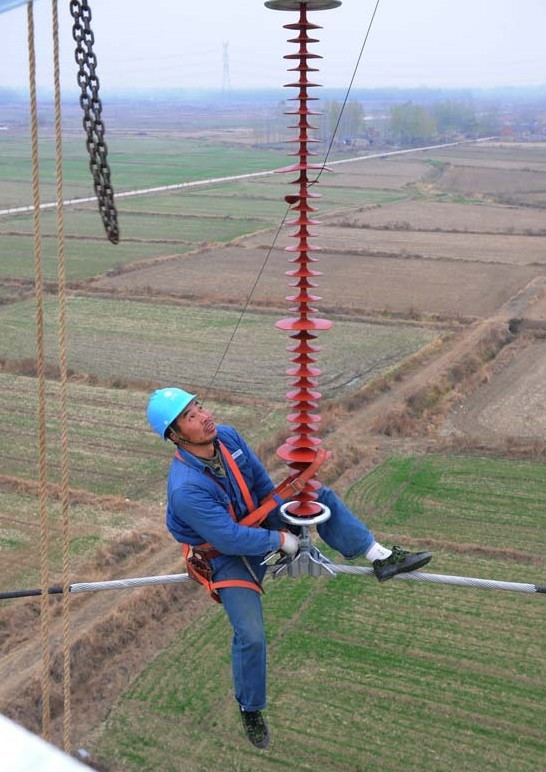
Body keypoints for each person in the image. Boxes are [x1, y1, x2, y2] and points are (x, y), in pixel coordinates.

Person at [147, 387, 432, 749]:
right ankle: (250, 708)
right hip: (224, 557)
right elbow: (229, 539)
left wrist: (284, 520)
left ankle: (380, 557)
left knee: (314, 495)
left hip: (256, 522)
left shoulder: (228, 437)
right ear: (175, 436)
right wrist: (280, 540)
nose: (204, 416)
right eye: (190, 416)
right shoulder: (186, 488)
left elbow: (262, 485)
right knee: (250, 635)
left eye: (199, 406)